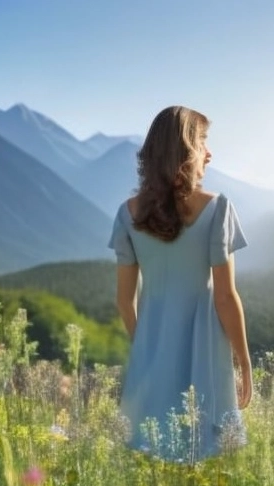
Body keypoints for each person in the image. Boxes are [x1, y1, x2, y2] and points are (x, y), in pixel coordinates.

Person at [108, 106, 252, 462]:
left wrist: (146, 348)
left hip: (151, 344)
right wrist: (244, 362)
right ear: (187, 150)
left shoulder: (127, 213)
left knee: (151, 453)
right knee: (207, 454)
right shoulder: (218, 208)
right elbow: (224, 296)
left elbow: (125, 302)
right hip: (205, 344)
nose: (209, 152)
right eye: (203, 141)